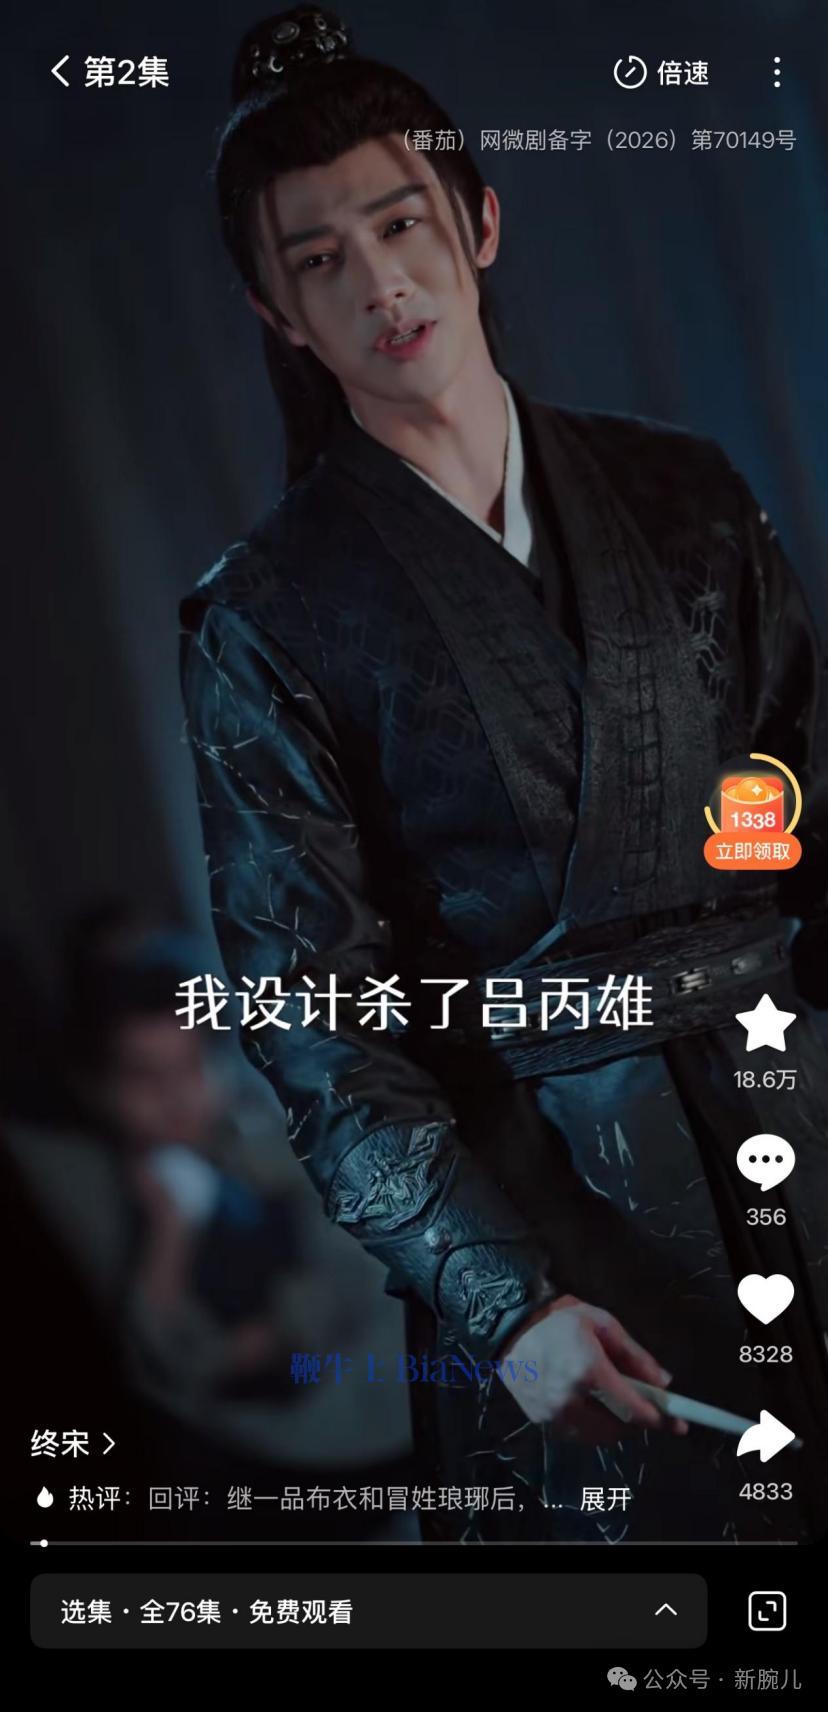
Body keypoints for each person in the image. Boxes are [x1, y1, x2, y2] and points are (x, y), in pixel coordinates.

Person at [179, 7, 828, 1542]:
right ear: (276, 309)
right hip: (546, 1212)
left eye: (400, 223)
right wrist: (500, 1298)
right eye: (320, 257)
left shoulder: (685, 493)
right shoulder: (267, 616)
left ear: (478, 220)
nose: (379, 281)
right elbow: (314, 1019)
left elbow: (802, 799)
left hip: (790, 1116)